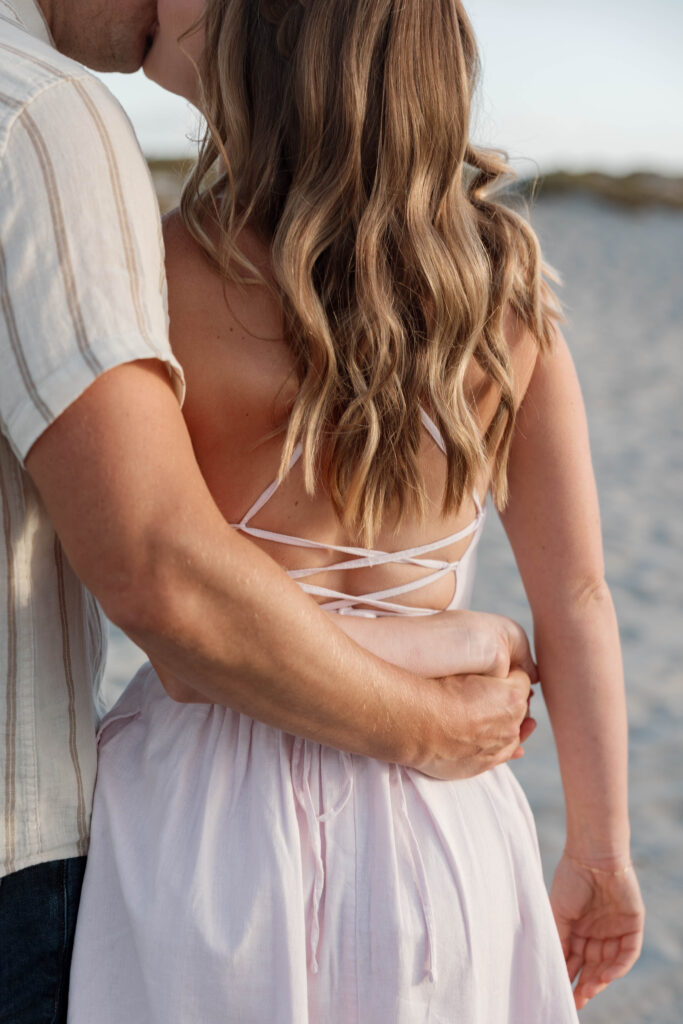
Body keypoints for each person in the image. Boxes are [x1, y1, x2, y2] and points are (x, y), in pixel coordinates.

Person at [66, 0, 645, 1021]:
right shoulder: (504, 298)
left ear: (265, 50)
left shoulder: (167, 271)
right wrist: (597, 847)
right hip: (445, 817)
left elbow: (170, 617)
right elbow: (581, 594)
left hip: (205, 819)